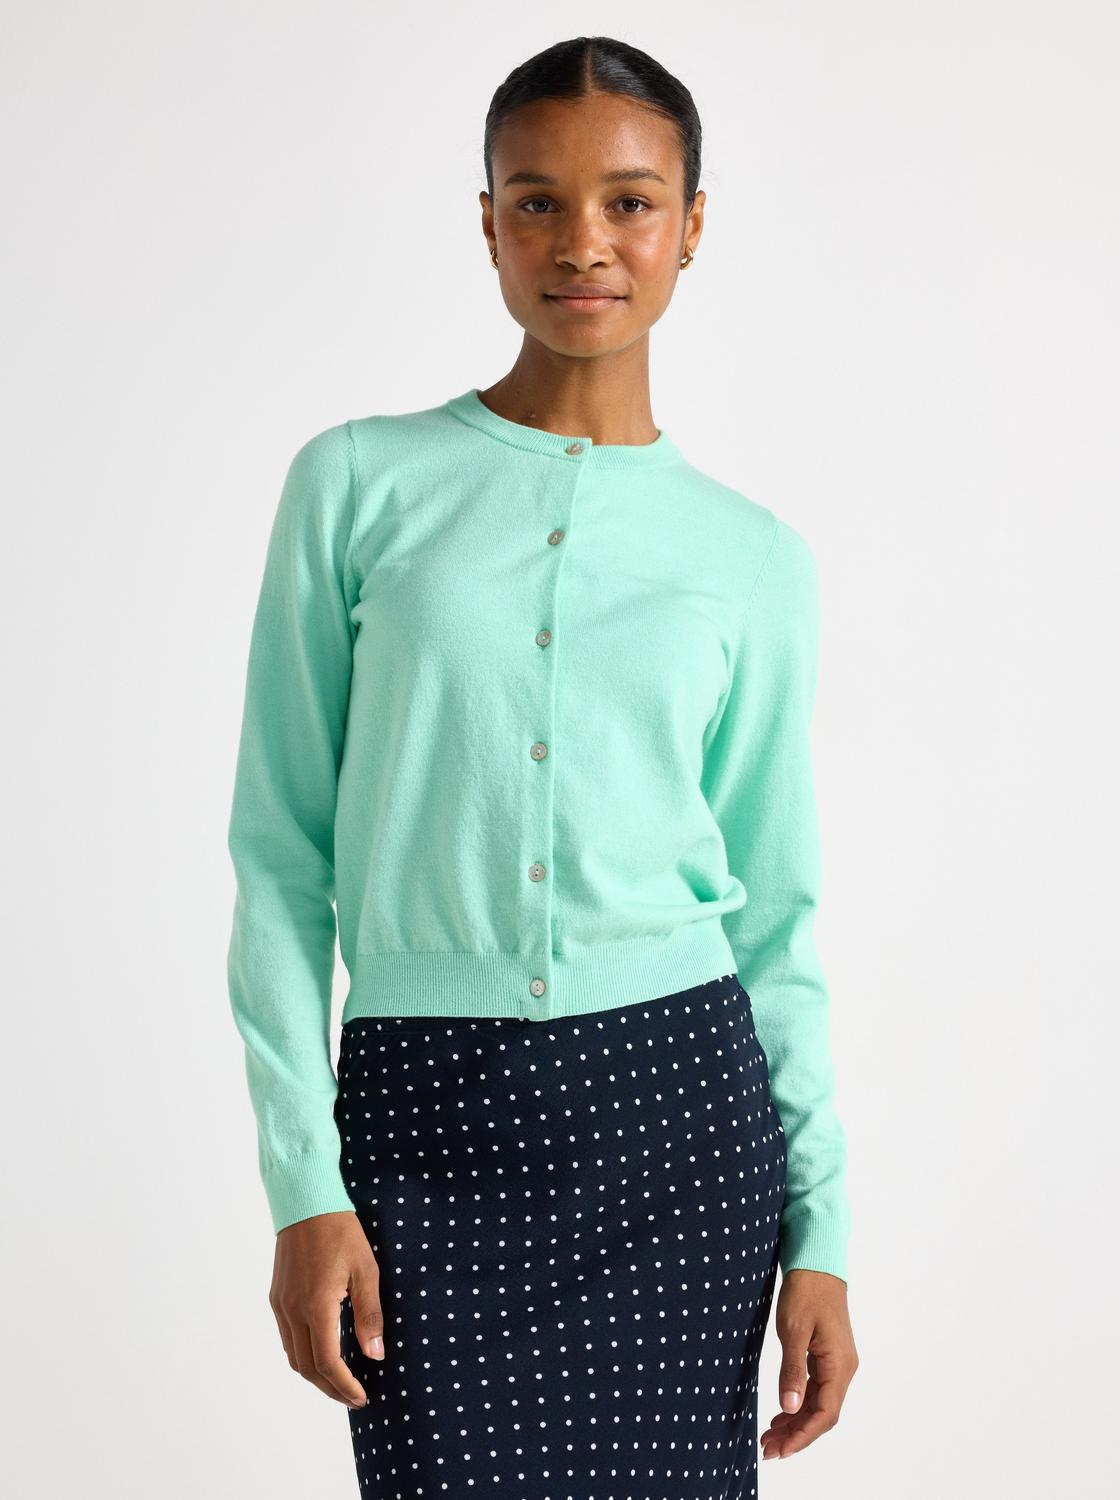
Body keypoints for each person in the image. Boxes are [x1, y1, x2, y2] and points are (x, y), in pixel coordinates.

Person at [225, 33, 859, 1498]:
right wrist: (302, 1183)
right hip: (423, 1112)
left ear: (690, 225)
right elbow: (277, 857)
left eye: (630, 202)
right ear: (488, 222)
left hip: (677, 1124)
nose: (583, 242)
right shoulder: (357, 483)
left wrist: (822, 1230)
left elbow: (775, 914)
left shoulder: (753, 558)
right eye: (536, 202)